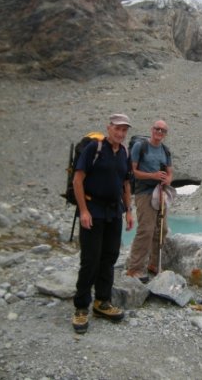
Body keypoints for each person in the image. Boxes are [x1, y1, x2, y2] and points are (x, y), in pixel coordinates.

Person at [72, 113, 134, 334]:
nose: (120, 133)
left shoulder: (124, 152)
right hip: (93, 210)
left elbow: (126, 183)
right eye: (117, 128)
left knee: (109, 257)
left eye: (124, 130)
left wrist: (128, 211)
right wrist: (84, 211)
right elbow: (78, 179)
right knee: (90, 259)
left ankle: (102, 302)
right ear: (109, 128)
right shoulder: (94, 149)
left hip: (114, 212)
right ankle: (81, 306)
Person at [126, 119, 173, 281]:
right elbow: (133, 172)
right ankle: (135, 268)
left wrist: (167, 180)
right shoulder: (141, 147)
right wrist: (152, 176)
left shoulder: (165, 150)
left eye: (163, 131)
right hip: (144, 193)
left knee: (162, 229)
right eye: (157, 129)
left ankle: (153, 263)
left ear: (165, 134)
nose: (159, 132)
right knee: (146, 229)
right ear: (152, 129)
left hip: (160, 193)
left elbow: (170, 171)